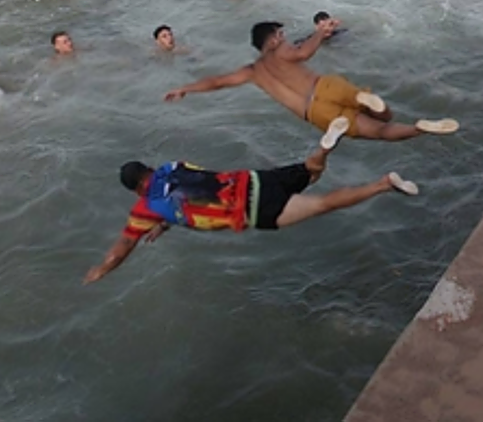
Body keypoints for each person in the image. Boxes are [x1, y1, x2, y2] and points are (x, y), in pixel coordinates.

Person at [83, 131, 420, 284]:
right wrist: (166, 223)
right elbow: (194, 192)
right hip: (255, 179)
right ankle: (325, 146)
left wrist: (102, 269)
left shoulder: (146, 208)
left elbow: (123, 246)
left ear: (135, 190)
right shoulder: (173, 166)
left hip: (255, 209)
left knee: (322, 204)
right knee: (312, 172)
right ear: (148, 169)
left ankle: (383, 184)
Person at [164, 21, 458, 141]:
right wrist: (321, 32)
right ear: (275, 36)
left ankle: (418, 128)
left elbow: (217, 81)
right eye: (282, 33)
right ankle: (386, 110)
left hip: (313, 111)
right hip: (326, 86)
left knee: (381, 133)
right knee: (386, 114)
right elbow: (303, 53)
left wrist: (184, 89)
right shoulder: (280, 49)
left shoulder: (252, 71)